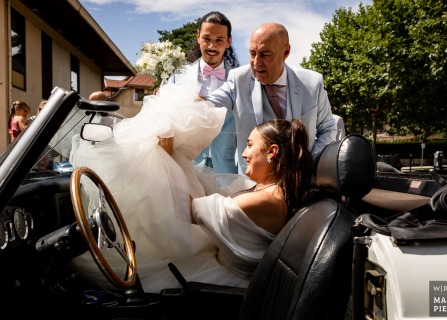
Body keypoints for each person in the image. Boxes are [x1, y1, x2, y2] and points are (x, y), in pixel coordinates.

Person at [69, 82, 312, 292]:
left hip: (228, 285)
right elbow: (213, 195)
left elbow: (188, 209)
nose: (245, 153)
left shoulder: (264, 200)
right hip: (225, 267)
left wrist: (164, 158)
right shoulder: (271, 191)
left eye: (250, 145)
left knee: (133, 272)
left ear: (272, 152)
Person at [207, 22, 337, 174]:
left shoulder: (312, 83)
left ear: (286, 51)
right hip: (252, 185)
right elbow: (209, 103)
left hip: (301, 185)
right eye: (252, 53)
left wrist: (307, 164)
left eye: (265, 54)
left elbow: (328, 128)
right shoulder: (238, 79)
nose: (256, 63)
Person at [169, 11, 239, 174]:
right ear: (198, 36)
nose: (212, 46)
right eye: (207, 38)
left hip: (227, 169)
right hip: (187, 166)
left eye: (219, 40)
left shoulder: (240, 80)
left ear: (229, 41)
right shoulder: (177, 78)